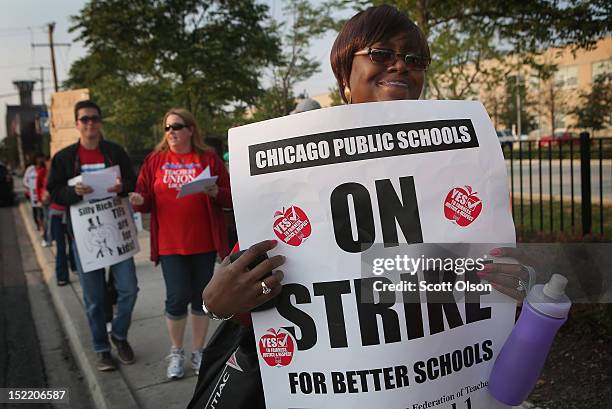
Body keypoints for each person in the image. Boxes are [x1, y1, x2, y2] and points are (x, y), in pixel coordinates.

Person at [188, 5, 527, 408]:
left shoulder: (457, 167)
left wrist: (502, 282)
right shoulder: (291, 162)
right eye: (382, 54)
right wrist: (218, 305)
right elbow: (255, 285)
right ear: (344, 74)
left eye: (414, 59)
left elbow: (432, 274)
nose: (401, 66)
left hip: (435, 381)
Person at [129, 108, 232, 380]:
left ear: (190, 129)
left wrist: (215, 192)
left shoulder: (207, 158)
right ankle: (176, 351)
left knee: (202, 298)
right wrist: (139, 201)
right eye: (167, 128)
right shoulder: (155, 161)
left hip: (203, 242)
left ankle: (198, 350)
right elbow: (144, 195)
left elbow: (231, 196)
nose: (171, 132)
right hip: (170, 244)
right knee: (176, 298)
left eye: (177, 126)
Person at [47, 100, 139, 371]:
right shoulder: (64, 158)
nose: (90, 124)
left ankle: (119, 336)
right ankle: (102, 349)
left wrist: (124, 188)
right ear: (77, 123)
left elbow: (133, 182)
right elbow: (54, 191)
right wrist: (71, 193)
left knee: (129, 290)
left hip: (118, 236)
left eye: (94, 119)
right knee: (94, 299)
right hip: (84, 238)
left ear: (100, 122)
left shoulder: (114, 152)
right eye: (84, 119)